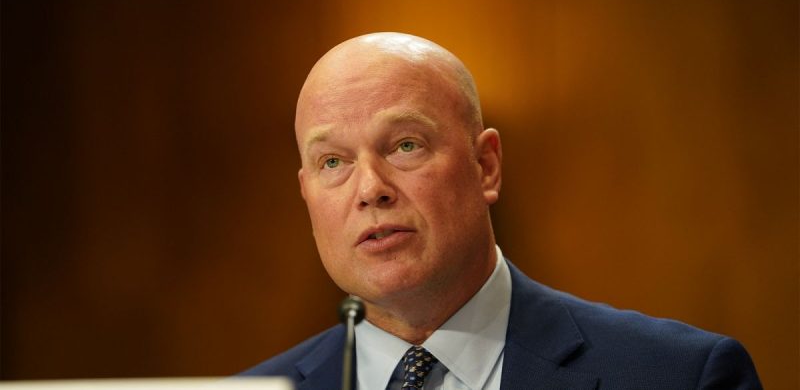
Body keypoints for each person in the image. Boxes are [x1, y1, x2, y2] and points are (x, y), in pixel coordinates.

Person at [240, 32, 762, 389]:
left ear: (486, 166)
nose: (370, 189)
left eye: (405, 146)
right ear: (307, 193)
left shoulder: (679, 376)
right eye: (333, 161)